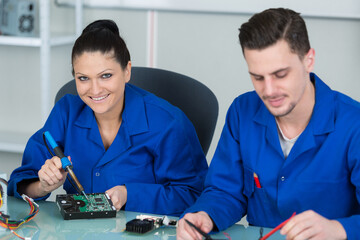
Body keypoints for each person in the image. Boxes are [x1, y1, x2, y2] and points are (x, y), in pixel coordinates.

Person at [177, 8, 360, 240]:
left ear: (308, 60)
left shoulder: (354, 124)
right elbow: (225, 191)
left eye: (281, 74)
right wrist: (205, 215)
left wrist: (339, 230)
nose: (269, 91)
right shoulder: (242, 112)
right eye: (258, 77)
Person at [8, 19, 208, 216]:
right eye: (83, 78)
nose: (95, 90)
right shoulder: (66, 112)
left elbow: (194, 194)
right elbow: (21, 183)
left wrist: (129, 194)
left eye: (106, 76)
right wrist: (43, 186)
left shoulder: (168, 122)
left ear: (127, 71)